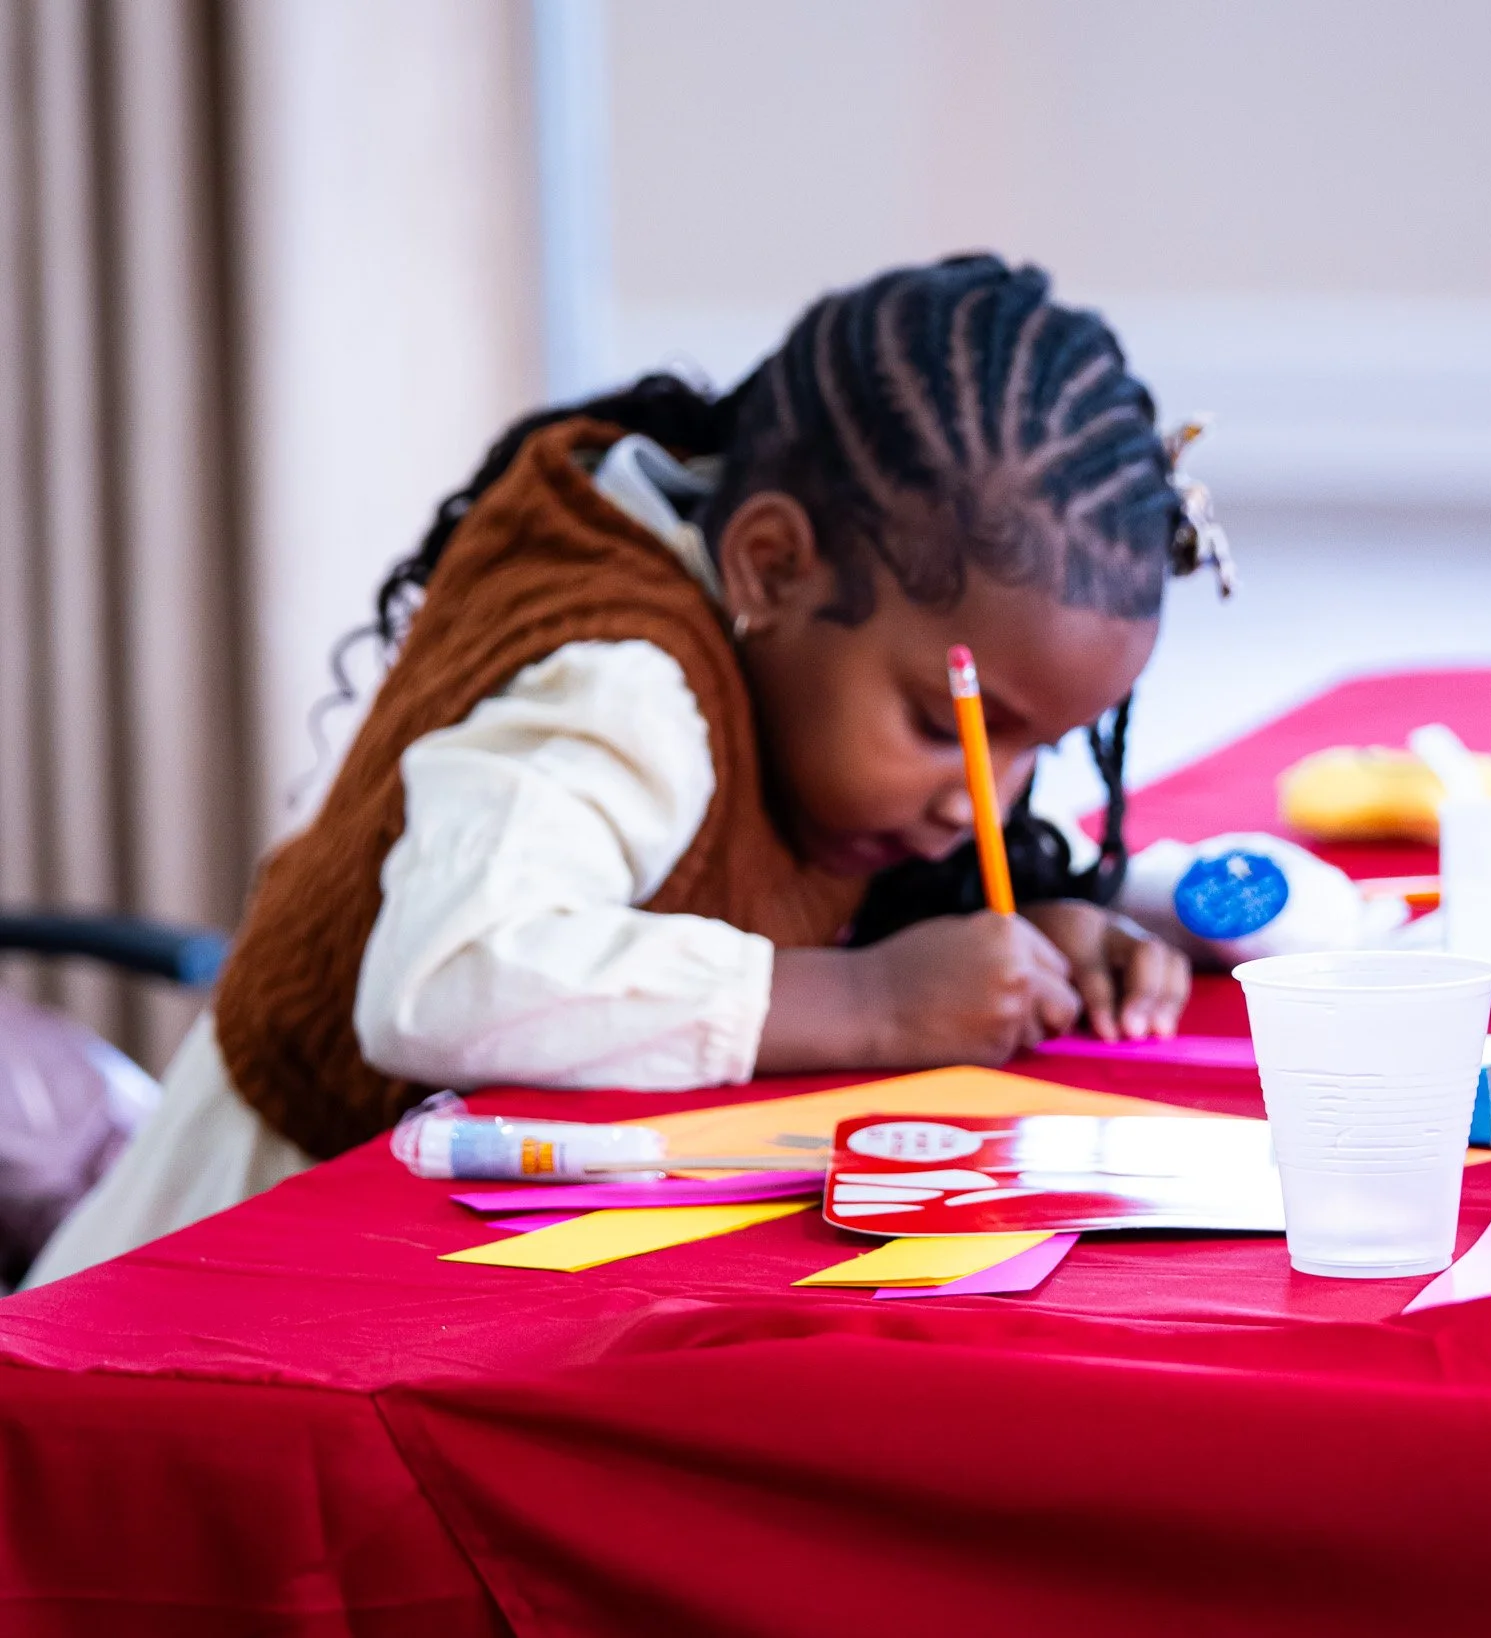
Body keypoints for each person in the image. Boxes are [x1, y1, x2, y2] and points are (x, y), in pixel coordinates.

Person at [24, 254, 1228, 1288]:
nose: (985, 799)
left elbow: (767, 897)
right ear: (766, 565)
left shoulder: (799, 675)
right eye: (944, 722)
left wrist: (1023, 935)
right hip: (205, 1303)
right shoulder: (618, 675)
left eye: (1037, 749)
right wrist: (871, 1006)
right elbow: (446, 976)